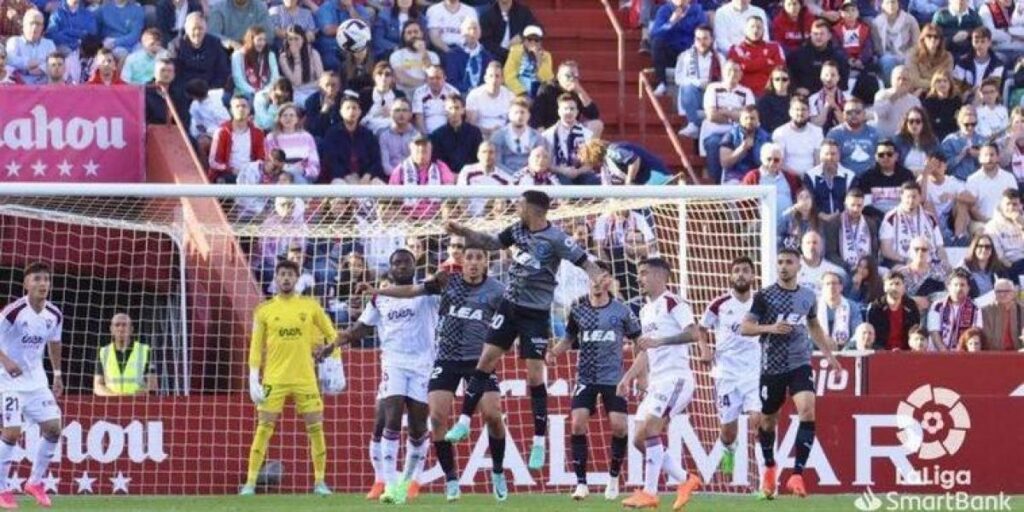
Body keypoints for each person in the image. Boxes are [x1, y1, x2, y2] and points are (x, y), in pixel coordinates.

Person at [443, 191, 603, 474]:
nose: (516, 207)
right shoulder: (517, 229)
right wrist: (464, 230)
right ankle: (464, 422)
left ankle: (538, 442)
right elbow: (492, 243)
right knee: (485, 360)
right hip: (509, 306)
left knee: (534, 376)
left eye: (519, 204)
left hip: (536, 314)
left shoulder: (556, 238)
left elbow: (584, 261)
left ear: (533, 209)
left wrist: (599, 278)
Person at [359, 246, 507, 502]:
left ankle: (497, 471)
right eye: (468, 257)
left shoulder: (496, 291)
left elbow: (510, 321)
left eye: (478, 258)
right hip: (446, 359)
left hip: (479, 361)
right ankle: (451, 480)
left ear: (485, 263)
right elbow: (409, 291)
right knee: (437, 420)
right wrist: (378, 291)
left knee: (493, 415)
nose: (472, 262)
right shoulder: (447, 284)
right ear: (461, 261)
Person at [321, 251, 435, 504]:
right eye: (396, 263)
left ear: (414, 266)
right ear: (390, 268)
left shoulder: (427, 293)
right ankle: (390, 486)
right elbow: (360, 328)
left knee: (418, 427)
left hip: (423, 365)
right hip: (393, 363)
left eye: (406, 262)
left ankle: (410, 480)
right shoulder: (379, 300)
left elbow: (441, 282)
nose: (402, 266)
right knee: (390, 418)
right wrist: (332, 346)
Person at [741, 248, 842, 498]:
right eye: (780, 262)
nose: (783, 266)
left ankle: (797, 475)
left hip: (800, 363)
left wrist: (830, 356)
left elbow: (814, 325)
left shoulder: (808, 296)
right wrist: (771, 328)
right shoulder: (765, 296)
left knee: (807, 409)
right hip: (771, 367)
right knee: (768, 421)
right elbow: (745, 327)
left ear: (799, 266)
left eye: (789, 262)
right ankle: (770, 468)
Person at [546, 261, 639, 501]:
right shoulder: (578, 309)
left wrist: (641, 374)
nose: (597, 281)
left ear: (608, 281)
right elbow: (568, 339)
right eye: (592, 276)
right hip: (586, 377)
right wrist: (553, 353)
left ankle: (613, 478)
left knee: (619, 426)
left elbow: (638, 340)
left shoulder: (622, 311)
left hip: (613, 378)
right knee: (577, 424)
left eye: (602, 276)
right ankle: (581, 484)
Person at [617, 257, 702, 509]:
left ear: (660, 276)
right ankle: (686, 480)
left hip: (676, 378)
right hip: (657, 381)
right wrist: (628, 377)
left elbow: (694, 332)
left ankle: (650, 492)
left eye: (644, 273)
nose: (639, 278)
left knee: (652, 430)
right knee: (639, 439)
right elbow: (646, 350)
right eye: (639, 273)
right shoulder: (645, 310)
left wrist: (660, 341)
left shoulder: (672, 301)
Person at [0, 263, 63, 510]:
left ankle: (35, 483)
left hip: (37, 383)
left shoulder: (54, 315)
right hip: (8, 382)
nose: (43, 284)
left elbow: (55, 343)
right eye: (37, 279)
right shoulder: (13, 312)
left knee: (54, 428)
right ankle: (2, 488)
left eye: (46, 279)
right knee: (12, 432)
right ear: (26, 284)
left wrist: (57, 373)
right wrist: (6, 361)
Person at [696, 256, 761, 478]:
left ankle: (766, 477)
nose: (741, 274)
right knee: (728, 431)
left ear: (753, 275)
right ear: (730, 276)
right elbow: (701, 329)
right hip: (727, 373)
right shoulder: (719, 304)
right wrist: (704, 350)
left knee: (758, 420)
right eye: (737, 271)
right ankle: (728, 450)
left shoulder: (761, 303)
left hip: (754, 372)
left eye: (745, 270)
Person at [700, 60, 755, 184]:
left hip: (738, 134)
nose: (733, 73)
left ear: (741, 74)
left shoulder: (747, 92)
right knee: (714, 144)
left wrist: (725, 111)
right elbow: (712, 116)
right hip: (714, 133)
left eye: (736, 71)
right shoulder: (713, 88)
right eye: (729, 70)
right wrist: (736, 114)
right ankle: (716, 186)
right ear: (723, 73)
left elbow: (750, 117)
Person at [879, 181, 949, 267]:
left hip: (929, 264)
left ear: (920, 197)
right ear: (901, 197)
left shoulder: (930, 218)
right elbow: (886, 250)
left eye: (914, 197)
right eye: (907, 197)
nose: (911, 200)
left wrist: (946, 265)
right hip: (901, 262)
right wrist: (906, 260)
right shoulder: (891, 218)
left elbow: (940, 248)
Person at [649, 0, 707, 95]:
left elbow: (703, 31)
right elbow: (655, 34)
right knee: (657, 43)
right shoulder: (664, 10)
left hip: (689, 51)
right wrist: (671, 22)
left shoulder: (697, 11)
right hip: (671, 52)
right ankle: (661, 84)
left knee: (703, 42)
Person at [323, 95, 385, 184]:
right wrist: (346, 176)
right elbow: (331, 161)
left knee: (379, 184)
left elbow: (376, 161)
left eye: (354, 108)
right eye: (347, 108)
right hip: (342, 178)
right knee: (338, 184)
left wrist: (368, 175)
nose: (351, 111)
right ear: (341, 112)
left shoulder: (368, 134)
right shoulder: (332, 134)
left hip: (365, 178)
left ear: (360, 112)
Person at [675, 25, 723, 138]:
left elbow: (725, 79)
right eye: (698, 39)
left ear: (712, 39)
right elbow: (678, 79)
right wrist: (699, 83)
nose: (702, 42)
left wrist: (711, 86)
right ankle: (693, 124)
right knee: (687, 87)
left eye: (705, 38)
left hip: (713, 94)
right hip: (693, 94)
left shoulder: (719, 57)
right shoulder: (685, 56)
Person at [532, 61, 603, 137]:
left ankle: (585, 149)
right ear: (559, 76)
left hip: (572, 131)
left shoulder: (577, 91)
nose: (572, 79)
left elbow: (593, 114)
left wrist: (580, 91)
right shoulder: (547, 89)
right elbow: (537, 119)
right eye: (568, 76)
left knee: (597, 124)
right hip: (552, 132)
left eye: (575, 76)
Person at [93, 313, 156, 396]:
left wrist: (132, 397)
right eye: (117, 325)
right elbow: (97, 386)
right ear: (111, 329)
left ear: (131, 329)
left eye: (124, 325)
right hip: (111, 404)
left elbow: (152, 385)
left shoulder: (145, 350)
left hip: (137, 404)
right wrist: (116, 397)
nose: (121, 328)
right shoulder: (103, 352)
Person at [542, 93, 598, 185]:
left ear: (577, 112)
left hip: (580, 172)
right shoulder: (547, 135)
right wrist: (563, 170)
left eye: (572, 109)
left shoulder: (587, 134)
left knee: (592, 181)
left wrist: (577, 171)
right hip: (558, 172)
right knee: (563, 183)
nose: (569, 112)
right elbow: (546, 163)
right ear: (559, 111)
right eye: (565, 109)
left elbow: (590, 164)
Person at [209, 95, 266, 184]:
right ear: (231, 110)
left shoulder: (258, 133)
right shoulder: (222, 131)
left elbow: (261, 158)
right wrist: (231, 170)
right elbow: (213, 161)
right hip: (228, 174)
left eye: (244, 106)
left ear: (249, 109)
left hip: (250, 174)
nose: (241, 109)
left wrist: (251, 170)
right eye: (237, 106)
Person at [168, 13, 231, 92]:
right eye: (194, 28)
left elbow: (222, 71)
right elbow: (175, 74)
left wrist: (210, 90)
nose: (197, 32)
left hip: (211, 89)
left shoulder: (215, 43)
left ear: (206, 29)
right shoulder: (175, 45)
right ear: (186, 29)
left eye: (200, 28)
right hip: (184, 90)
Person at [787, 19, 850, 96]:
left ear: (829, 36)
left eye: (822, 34)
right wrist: (796, 88)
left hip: (830, 96)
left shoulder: (838, 57)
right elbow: (789, 75)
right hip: (804, 98)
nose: (818, 37)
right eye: (815, 34)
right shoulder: (798, 55)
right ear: (811, 35)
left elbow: (843, 83)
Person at [856, 139, 916, 219]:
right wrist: (885, 217)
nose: (885, 157)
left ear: (896, 156)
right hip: (875, 219)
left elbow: (912, 200)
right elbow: (866, 206)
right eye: (881, 155)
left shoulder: (906, 176)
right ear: (876, 157)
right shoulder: (867, 177)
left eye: (889, 154)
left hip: (902, 217)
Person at [926, 268, 984, 350]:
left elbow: (975, 334)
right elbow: (934, 332)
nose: (959, 288)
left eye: (962, 285)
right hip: (938, 355)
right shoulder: (937, 306)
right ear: (949, 287)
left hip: (963, 356)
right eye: (955, 285)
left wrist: (958, 355)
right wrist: (944, 352)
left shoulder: (975, 308)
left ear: (968, 288)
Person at [742, 143, 801, 222]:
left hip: (789, 228)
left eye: (776, 160)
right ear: (762, 159)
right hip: (761, 227)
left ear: (781, 161)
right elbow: (744, 204)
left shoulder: (791, 178)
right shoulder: (752, 177)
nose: (772, 163)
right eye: (769, 159)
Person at [919, 151, 969, 245]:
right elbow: (921, 199)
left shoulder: (952, 181)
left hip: (950, 218)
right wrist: (925, 174)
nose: (936, 167)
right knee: (927, 204)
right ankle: (940, 238)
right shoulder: (923, 180)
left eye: (939, 164)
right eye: (933, 164)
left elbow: (971, 199)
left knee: (962, 203)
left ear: (945, 166)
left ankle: (958, 238)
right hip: (931, 219)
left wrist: (953, 196)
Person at [823, 188, 879, 271]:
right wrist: (848, 267)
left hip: (866, 269)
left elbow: (874, 252)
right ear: (845, 205)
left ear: (863, 206)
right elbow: (830, 253)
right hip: (841, 267)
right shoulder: (834, 223)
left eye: (859, 205)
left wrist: (865, 267)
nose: (856, 209)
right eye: (852, 205)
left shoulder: (870, 224)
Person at [727, 16, 786, 95]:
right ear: (745, 30)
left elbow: (780, 69)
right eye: (752, 27)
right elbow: (735, 72)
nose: (755, 30)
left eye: (759, 27)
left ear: (763, 30)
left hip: (769, 93)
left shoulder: (774, 47)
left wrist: (748, 64)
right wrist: (766, 61)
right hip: (743, 93)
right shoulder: (736, 49)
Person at [578, 139, 673, 186]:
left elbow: (634, 160)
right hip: (646, 183)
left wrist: (628, 182)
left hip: (658, 177)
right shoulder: (606, 165)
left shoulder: (613, 151)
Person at [265, 103, 320, 183]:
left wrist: (304, 171)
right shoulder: (271, 137)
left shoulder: (307, 137)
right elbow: (271, 160)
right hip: (279, 175)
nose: (288, 118)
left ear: (297, 119)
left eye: (291, 115)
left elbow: (314, 163)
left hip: (302, 175)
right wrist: (287, 168)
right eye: (285, 115)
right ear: (279, 118)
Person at [963, 143, 1019, 222]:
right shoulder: (972, 179)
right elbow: (972, 208)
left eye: (992, 155)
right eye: (985, 155)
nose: (989, 158)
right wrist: (988, 222)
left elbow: (1015, 202)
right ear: (979, 158)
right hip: (982, 222)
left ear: (998, 157)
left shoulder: (1009, 177)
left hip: (1007, 221)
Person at [866, 271, 921, 350]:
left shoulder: (911, 307)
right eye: (891, 284)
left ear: (904, 287)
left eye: (898, 284)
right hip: (881, 353)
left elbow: (915, 331)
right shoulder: (876, 308)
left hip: (907, 353)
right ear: (885, 287)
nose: (894, 288)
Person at [826, 97, 880, 177]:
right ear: (843, 114)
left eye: (857, 112)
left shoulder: (875, 132)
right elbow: (829, 161)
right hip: (844, 179)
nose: (853, 115)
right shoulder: (834, 134)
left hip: (871, 179)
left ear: (864, 114)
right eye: (849, 113)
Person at [430, 94, 483, 173]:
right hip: (445, 177)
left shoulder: (474, 133)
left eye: (457, 108)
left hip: (470, 176)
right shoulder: (437, 135)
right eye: (450, 108)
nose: (454, 112)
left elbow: (478, 158)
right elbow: (437, 161)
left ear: (463, 110)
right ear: (445, 111)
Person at [490, 96, 544, 172]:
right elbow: (496, 162)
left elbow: (540, 161)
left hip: (529, 177)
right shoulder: (498, 135)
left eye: (522, 112)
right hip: (504, 177)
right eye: (516, 113)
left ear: (528, 115)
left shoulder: (537, 137)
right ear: (509, 115)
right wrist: (513, 177)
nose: (519, 116)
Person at [873, 0, 920, 84]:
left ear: (898, 4)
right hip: (886, 54)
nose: (891, 5)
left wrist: (909, 54)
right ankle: (890, 90)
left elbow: (916, 42)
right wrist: (886, 54)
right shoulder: (877, 22)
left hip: (906, 53)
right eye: (888, 3)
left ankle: (909, 91)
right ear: (882, 5)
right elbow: (877, 46)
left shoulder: (910, 20)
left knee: (910, 61)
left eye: (893, 2)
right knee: (887, 61)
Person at [773, 97, 823, 177]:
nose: (800, 113)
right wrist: (798, 176)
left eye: (804, 109)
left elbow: (818, 160)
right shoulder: (780, 132)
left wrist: (811, 178)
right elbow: (779, 162)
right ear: (790, 112)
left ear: (809, 112)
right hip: (788, 177)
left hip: (811, 177)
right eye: (797, 109)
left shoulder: (817, 131)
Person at [720, 106, 771, 184]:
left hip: (758, 177)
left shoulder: (766, 137)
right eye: (746, 118)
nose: (749, 121)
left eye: (752, 118)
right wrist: (742, 149)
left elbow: (770, 162)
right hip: (735, 177)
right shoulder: (730, 136)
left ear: (758, 120)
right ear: (740, 120)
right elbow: (725, 163)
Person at [803, 139, 854, 217]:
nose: (829, 157)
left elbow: (853, 201)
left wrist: (840, 215)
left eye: (833, 154)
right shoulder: (810, 176)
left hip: (843, 219)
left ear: (839, 155)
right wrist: (822, 215)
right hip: (817, 219)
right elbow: (809, 201)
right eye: (826, 154)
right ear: (820, 156)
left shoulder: (850, 176)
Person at [389, 21, 440, 97]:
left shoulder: (433, 55)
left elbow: (433, 75)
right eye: (409, 33)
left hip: (427, 94)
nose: (413, 35)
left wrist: (423, 52)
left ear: (422, 34)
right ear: (404, 36)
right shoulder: (396, 55)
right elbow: (402, 79)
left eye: (416, 32)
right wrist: (426, 83)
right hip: (405, 94)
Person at [442, 16, 492, 95]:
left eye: (475, 28)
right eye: (469, 29)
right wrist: (468, 90)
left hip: (482, 95)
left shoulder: (487, 56)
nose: (472, 32)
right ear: (462, 32)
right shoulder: (453, 55)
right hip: (460, 94)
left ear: (480, 32)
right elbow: (451, 82)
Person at [313, 0, 368, 71]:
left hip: (351, 46)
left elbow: (364, 29)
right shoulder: (327, 7)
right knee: (332, 62)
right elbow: (328, 30)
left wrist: (351, 9)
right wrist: (353, 29)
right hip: (331, 47)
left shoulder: (358, 8)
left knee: (365, 55)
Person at [952, 28, 1005, 100]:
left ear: (989, 43)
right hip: (966, 98)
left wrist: (976, 91)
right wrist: (967, 93)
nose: (979, 45)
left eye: (983, 42)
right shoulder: (963, 62)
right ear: (972, 42)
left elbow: (994, 85)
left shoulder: (997, 64)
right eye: (976, 42)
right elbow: (956, 84)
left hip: (988, 98)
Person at [4, 9, 54, 85]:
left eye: (38, 24)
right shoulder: (14, 41)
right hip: (19, 86)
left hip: (43, 87)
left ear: (42, 27)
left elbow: (54, 63)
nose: (35, 27)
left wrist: (42, 69)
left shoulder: (49, 44)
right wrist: (29, 63)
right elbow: (10, 60)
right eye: (32, 23)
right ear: (24, 25)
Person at [278, 24, 323, 106]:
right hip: (296, 93)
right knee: (304, 102)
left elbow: (321, 80)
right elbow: (297, 82)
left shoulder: (313, 53)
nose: (293, 42)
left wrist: (305, 87)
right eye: (290, 39)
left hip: (314, 90)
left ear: (303, 39)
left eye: (296, 39)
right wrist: (296, 57)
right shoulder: (283, 57)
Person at [817, 271, 864, 349]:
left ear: (841, 287)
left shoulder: (852, 306)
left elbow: (857, 334)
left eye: (834, 283)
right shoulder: (812, 306)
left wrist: (846, 349)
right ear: (821, 288)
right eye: (827, 284)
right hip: (818, 349)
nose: (831, 287)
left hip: (846, 350)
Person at [873, 66, 923, 139]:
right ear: (892, 80)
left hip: (906, 140)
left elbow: (918, 123)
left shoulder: (914, 101)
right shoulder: (882, 95)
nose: (901, 82)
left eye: (905, 79)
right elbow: (878, 114)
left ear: (910, 82)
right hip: (885, 141)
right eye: (898, 78)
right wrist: (893, 98)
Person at [466, 61, 514, 136]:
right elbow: (471, 125)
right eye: (491, 76)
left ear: (502, 79)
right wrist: (488, 131)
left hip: (504, 135)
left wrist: (501, 132)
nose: (494, 80)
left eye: (497, 76)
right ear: (485, 78)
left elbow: (513, 122)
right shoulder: (474, 95)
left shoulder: (510, 96)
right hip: (480, 135)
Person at [502, 24, 551, 97]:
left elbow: (547, 79)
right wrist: (522, 93)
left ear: (540, 42)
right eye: (529, 39)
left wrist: (538, 61)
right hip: (518, 94)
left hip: (538, 94)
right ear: (524, 41)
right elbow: (509, 76)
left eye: (536, 40)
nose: (533, 43)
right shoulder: (515, 52)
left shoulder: (546, 56)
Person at [187, 78, 230, 160]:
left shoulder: (218, 103)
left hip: (220, 133)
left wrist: (210, 132)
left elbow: (226, 126)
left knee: (202, 143)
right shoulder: (194, 105)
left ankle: (205, 168)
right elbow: (196, 123)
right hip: (203, 132)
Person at [232, 26, 280, 100]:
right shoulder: (238, 55)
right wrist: (254, 91)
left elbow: (275, 77)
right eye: (259, 40)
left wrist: (265, 91)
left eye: (264, 40)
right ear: (251, 40)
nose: (262, 43)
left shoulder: (270, 55)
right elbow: (238, 80)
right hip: (245, 93)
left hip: (267, 93)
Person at [360, 62, 406, 135]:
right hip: (369, 132)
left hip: (392, 132)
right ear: (374, 77)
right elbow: (360, 119)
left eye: (387, 74)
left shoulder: (399, 95)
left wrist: (392, 114)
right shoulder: (365, 94)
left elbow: (404, 117)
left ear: (392, 78)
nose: (383, 77)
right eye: (380, 73)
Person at [906, 24, 955, 93]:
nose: (933, 40)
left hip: (940, 92)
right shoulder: (912, 54)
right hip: (919, 91)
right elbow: (915, 81)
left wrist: (935, 85)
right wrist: (936, 83)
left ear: (940, 40)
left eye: (936, 37)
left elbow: (948, 79)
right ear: (923, 39)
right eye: (929, 36)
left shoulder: (947, 57)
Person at [984, 189, 1024, 275]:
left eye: (1015, 204)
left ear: (1020, 205)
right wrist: (1014, 270)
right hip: (1007, 266)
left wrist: (1022, 226)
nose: (1011, 208)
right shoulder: (992, 226)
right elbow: (999, 256)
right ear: (1001, 205)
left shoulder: (1022, 220)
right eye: (1008, 204)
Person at [412, 64, 459, 134]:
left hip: (448, 133)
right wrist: (426, 137)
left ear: (444, 78)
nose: (434, 81)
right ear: (426, 79)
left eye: (438, 78)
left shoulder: (453, 92)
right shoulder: (419, 92)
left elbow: (456, 116)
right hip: (426, 133)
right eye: (431, 78)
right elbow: (419, 118)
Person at [378, 97, 420, 173]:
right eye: (397, 110)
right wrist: (397, 177)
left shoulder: (417, 136)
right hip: (390, 177)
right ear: (391, 113)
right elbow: (385, 165)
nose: (401, 114)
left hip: (412, 177)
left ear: (410, 114)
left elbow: (418, 163)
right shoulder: (384, 136)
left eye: (405, 110)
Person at [981, 278, 1024, 350]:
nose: (1002, 294)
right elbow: (986, 337)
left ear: (1013, 293)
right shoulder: (986, 311)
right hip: (994, 354)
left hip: (1018, 354)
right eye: (998, 291)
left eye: (1006, 291)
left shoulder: (1021, 310)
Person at [894, 107, 939, 174]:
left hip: (928, 178)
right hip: (905, 179)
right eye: (911, 121)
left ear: (923, 123)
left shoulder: (932, 140)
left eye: (918, 121)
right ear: (906, 123)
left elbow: (939, 162)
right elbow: (894, 165)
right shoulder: (898, 140)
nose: (914, 124)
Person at [920, 71, 963, 141]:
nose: (942, 84)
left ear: (950, 84)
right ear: (934, 84)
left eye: (945, 81)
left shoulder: (957, 101)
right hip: (934, 137)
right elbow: (927, 123)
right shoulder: (928, 102)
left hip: (952, 136)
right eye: (939, 81)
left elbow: (958, 121)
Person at [808, 60, 848, 134]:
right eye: (826, 75)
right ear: (821, 77)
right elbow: (815, 124)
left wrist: (835, 106)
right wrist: (826, 106)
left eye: (833, 75)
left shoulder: (847, 98)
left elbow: (848, 124)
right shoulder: (813, 99)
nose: (829, 79)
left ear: (838, 78)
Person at [303, 72, 342, 139]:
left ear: (339, 87)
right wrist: (324, 110)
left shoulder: (344, 100)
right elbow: (312, 128)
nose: (330, 89)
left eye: (333, 85)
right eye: (327, 85)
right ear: (320, 86)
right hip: (321, 136)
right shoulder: (311, 101)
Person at [756, 67, 793, 134]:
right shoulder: (764, 100)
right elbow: (763, 124)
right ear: (772, 81)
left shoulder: (794, 100)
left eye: (784, 79)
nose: (780, 82)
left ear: (789, 81)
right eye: (777, 79)